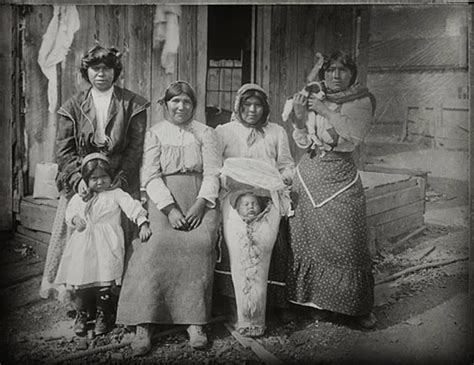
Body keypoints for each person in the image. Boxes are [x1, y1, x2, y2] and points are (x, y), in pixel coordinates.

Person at [39, 44, 150, 305]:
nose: (101, 74)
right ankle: (80, 298)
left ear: (115, 71)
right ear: (86, 72)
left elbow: (135, 150)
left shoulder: (132, 104)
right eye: (95, 69)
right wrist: (78, 182)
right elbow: (63, 150)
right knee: (80, 236)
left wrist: (118, 183)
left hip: (118, 180)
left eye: (107, 68)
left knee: (116, 239)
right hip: (84, 180)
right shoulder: (73, 106)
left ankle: (116, 300)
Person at [116, 81, 221, 355]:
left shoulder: (206, 133)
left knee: (200, 244)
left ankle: (195, 321)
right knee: (156, 245)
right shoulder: (156, 134)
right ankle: (144, 322)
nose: (181, 107)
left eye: (186, 102)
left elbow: (212, 173)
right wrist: (170, 209)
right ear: (166, 104)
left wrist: (201, 204)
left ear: (193, 106)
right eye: (175, 101)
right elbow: (149, 177)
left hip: (199, 199)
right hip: (164, 200)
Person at [286, 50, 377, 329]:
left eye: (343, 70)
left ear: (352, 74)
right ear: (324, 73)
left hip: (341, 177)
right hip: (310, 173)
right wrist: (301, 117)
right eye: (331, 70)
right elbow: (303, 139)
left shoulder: (360, 101)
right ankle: (315, 303)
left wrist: (324, 109)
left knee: (348, 240)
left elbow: (354, 135)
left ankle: (354, 306)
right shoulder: (312, 94)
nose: (336, 75)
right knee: (307, 238)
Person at [215, 83, 295, 337]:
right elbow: (216, 168)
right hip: (234, 195)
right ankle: (239, 311)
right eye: (247, 104)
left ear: (265, 107)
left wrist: (284, 180)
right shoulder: (224, 131)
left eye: (257, 105)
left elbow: (286, 166)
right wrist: (237, 188)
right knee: (238, 242)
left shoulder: (276, 132)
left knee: (265, 244)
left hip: (267, 195)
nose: (252, 110)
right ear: (238, 106)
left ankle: (265, 311)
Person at [55, 153, 151, 336]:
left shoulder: (115, 194)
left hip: (107, 244)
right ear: (86, 179)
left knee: (104, 279)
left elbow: (132, 207)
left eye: (104, 177)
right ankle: (81, 314)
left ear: (111, 176)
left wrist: (143, 223)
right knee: (82, 278)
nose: (99, 182)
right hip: (84, 244)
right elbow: (70, 214)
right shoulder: (80, 196)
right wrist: (76, 221)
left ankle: (102, 314)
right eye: (94, 178)